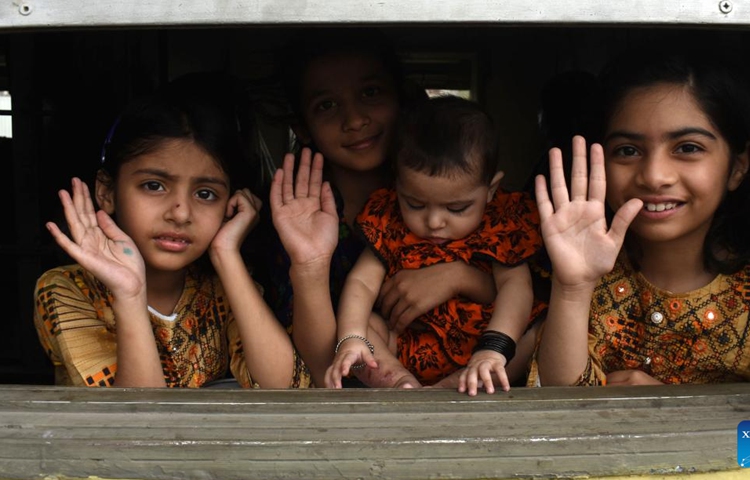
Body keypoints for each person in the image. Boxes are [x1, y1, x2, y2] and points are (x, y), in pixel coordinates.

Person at [531, 50, 750, 387]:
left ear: (737, 167)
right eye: (628, 150)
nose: (654, 176)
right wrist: (573, 290)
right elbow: (557, 412)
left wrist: (671, 409)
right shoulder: (578, 274)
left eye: (688, 148)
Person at [33, 73, 306, 388]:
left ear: (229, 203)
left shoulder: (221, 286)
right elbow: (136, 423)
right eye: (154, 185)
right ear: (107, 192)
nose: (181, 212)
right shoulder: (68, 288)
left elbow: (287, 389)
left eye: (205, 194)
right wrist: (130, 294)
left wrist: (227, 255)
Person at [265, 30, 501, 387]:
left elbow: (519, 299)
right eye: (326, 105)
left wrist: (459, 276)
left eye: (370, 93)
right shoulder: (296, 219)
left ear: (402, 100)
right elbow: (319, 369)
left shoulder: (464, 194)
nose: (355, 119)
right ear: (303, 127)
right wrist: (309, 266)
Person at [322, 96, 544, 394]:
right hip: (406, 342)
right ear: (397, 187)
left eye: (457, 209)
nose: (434, 221)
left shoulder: (502, 224)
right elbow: (361, 282)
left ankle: (462, 382)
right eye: (414, 204)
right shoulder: (389, 221)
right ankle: (398, 380)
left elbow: (517, 290)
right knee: (365, 324)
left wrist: (493, 349)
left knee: (538, 330)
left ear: (490, 190)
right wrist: (351, 337)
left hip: (483, 347)